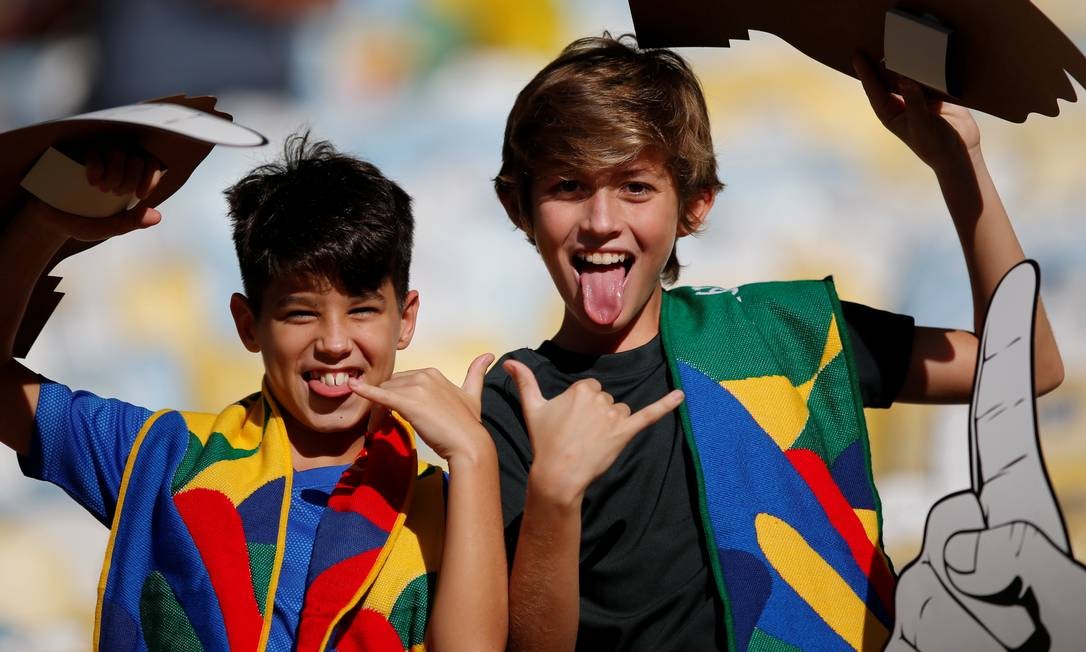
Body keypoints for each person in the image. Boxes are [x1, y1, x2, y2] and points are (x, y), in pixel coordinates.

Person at [481, 34, 1063, 651]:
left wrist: (958, 164)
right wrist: (555, 494)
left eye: (636, 187)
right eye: (569, 186)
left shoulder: (784, 332)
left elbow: (1026, 368)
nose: (601, 221)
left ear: (695, 205)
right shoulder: (514, 404)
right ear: (518, 205)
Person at [0, 134, 507, 651]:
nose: (334, 343)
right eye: (300, 313)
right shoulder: (163, 456)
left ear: (406, 319)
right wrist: (47, 221)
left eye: (362, 310)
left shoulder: (452, 505)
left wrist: (473, 455)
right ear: (248, 324)